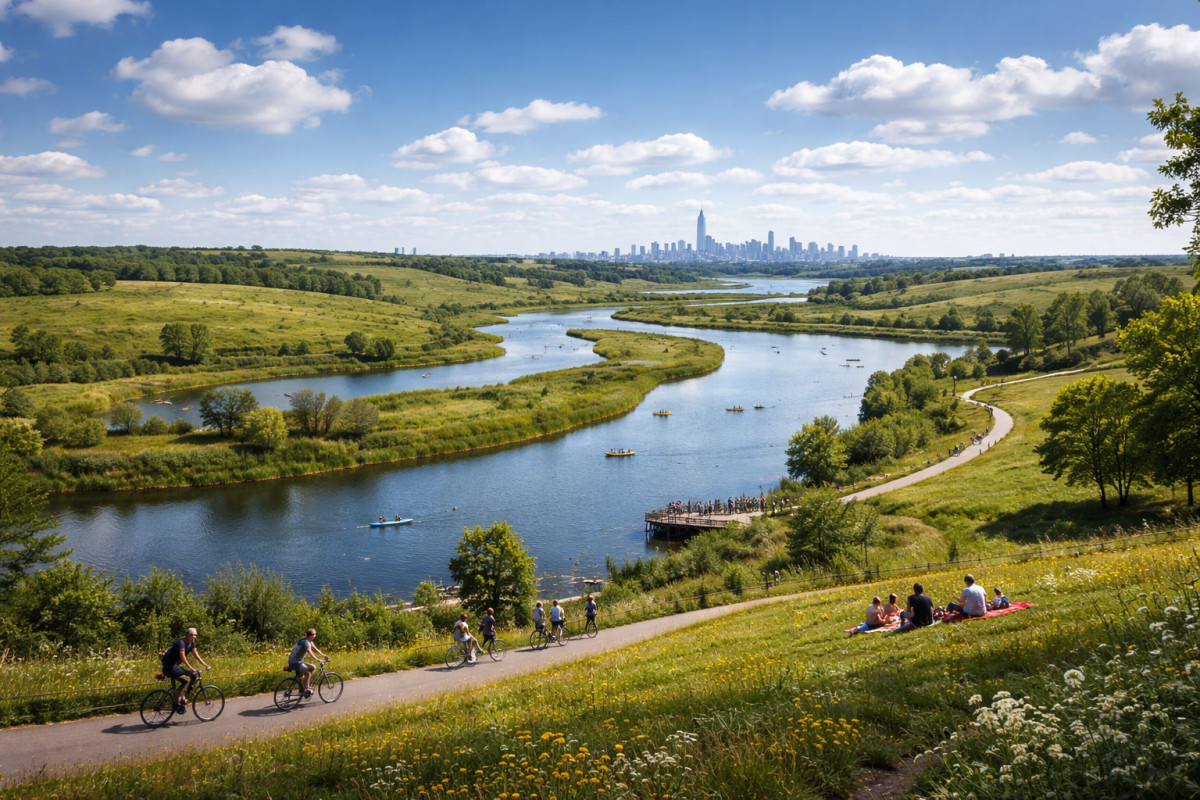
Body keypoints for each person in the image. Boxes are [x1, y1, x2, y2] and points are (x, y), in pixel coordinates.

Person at [161, 627, 210, 711]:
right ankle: (185, 696)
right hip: (169, 668)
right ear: (187, 634)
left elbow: (196, 655)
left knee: (188, 679)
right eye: (191, 635)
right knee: (188, 678)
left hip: (174, 667)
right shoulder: (181, 642)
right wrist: (191, 668)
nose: (193, 637)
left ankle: (179, 700)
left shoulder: (191, 643)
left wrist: (206, 665)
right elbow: (183, 657)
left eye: (195, 635)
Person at [289, 628, 330, 697]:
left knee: (312, 667)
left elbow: (316, 650)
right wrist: (318, 659)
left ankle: (303, 687)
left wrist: (324, 655)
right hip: (296, 663)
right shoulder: (306, 643)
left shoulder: (308, 641)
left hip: (296, 662)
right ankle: (306, 688)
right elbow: (310, 652)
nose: (315, 635)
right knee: (308, 673)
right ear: (311, 636)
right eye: (314, 634)